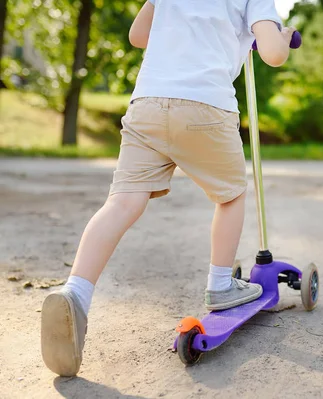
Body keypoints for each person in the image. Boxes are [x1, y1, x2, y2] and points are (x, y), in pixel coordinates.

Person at [41, 0, 296, 377]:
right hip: (205, 105)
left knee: (123, 202)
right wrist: (282, 36)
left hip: (147, 102)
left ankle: (75, 293)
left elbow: (137, 35)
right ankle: (221, 285)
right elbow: (273, 55)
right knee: (232, 195)